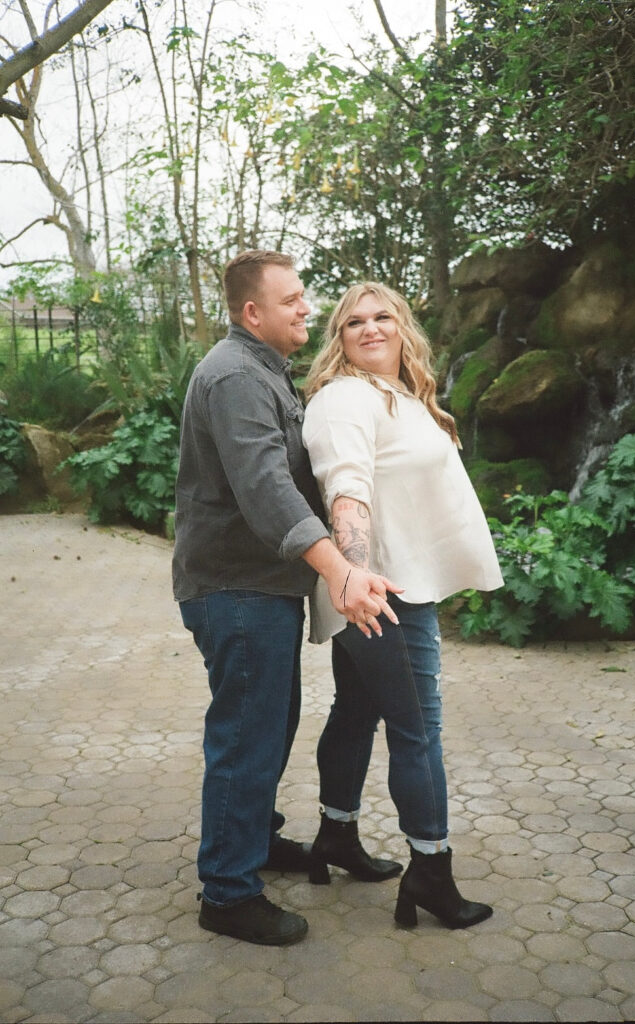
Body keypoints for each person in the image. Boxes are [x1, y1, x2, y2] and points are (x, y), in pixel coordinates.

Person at [172, 251, 403, 947]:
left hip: (258, 588)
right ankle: (228, 892)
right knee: (247, 734)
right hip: (236, 590)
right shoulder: (239, 375)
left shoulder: (261, 370)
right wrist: (339, 570)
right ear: (253, 313)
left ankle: (255, 841)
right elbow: (267, 490)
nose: (308, 309)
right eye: (294, 300)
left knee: (268, 724)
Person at [302, 281, 504, 930]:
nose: (369, 327)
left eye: (381, 315)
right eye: (352, 321)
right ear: (339, 338)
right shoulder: (343, 399)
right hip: (382, 595)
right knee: (419, 732)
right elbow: (346, 493)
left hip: (386, 588)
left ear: (401, 326)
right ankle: (431, 869)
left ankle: (336, 835)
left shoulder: (401, 397)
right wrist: (355, 575)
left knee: (357, 712)